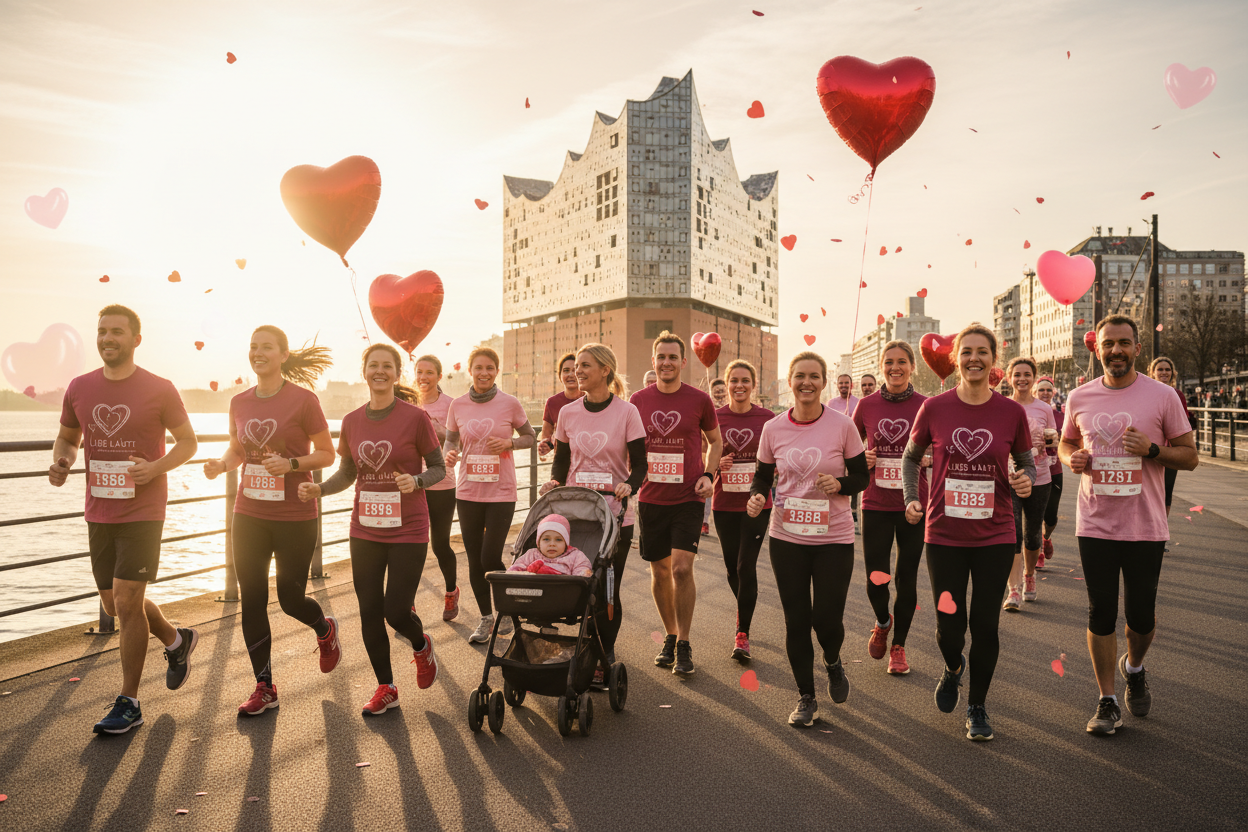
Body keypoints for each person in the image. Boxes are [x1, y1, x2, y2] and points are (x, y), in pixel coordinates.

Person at [50, 305, 199, 734]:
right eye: (101, 331)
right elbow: (68, 436)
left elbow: (187, 443)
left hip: (143, 511)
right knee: (113, 603)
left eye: (116, 331)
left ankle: (129, 702)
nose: (107, 338)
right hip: (100, 509)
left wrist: (155, 468)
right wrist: (62, 460)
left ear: (136, 338)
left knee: (129, 600)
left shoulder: (160, 388)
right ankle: (176, 640)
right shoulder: (80, 387)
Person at [1060, 316, 1197, 736]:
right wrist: (1072, 459)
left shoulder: (1163, 395)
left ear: (1137, 348)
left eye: (1124, 343)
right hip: (1095, 523)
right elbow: (1067, 442)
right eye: (1108, 344)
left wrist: (1154, 449)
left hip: (1145, 525)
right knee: (1101, 612)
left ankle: (1134, 667)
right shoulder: (1079, 397)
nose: (1115, 350)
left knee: (1140, 616)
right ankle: (1106, 700)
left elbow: (1190, 456)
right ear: (1096, 349)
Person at [901, 323, 1036, 741]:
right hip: (943, 536)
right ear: (955, 358)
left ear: (994, 360)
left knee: (986, 624)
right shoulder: (935, 408)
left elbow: (1028, 463)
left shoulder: (1011, 412)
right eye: (967, 351)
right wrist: (911, 497)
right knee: (948, 626)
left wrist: (1027, 480)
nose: (974, 358)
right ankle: (953, 666)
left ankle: (977, 706)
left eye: (983, 351)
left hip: (996, 535)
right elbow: (910, 458)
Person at [299, 344, 444, 716]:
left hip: (409, 528)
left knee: (395, 611)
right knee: (367, 610)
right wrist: (320, 489)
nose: (379, 371)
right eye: (373, 365)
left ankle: (420, 644)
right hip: (364, 527)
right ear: (365, 371)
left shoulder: (415, 418)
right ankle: (386, 687)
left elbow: (439, 467)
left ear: (398, 374)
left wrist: (417, 481)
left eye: (387, 366)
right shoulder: (351, 421)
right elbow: (349, 472)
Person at [203, 325, 339, 717]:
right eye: (253, 347)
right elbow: (237, 449)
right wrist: (220, 464)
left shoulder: (303, 400)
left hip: (294, 514)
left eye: (266, 347)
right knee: (253, 599)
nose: (258, 353)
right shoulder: (240, 402)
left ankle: (324, 628)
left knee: (290, 598)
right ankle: (264, 685)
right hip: (249, 513)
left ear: (283, 355)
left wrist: (292, 464)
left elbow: (328, 454)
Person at [746, 351, 867, 726]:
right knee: (796, 620)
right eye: (800, 376)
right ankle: (805, 697)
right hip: (787, 536)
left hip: (834, 537)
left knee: (826, 620)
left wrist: (841, 484)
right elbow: (763, 477)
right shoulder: (773, 428)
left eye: (814, 376)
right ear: (790, 380)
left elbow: (862, 478)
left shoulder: (843, 425)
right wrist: (756, 496)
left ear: (824, 382)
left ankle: (832, 661)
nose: (807, 383)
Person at [540, 343, 645, 685]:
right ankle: (573, 650)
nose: (577, 372)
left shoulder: (627, 412)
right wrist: (554, 481)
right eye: (575, 367)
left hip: (614, 514)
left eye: (585, 366)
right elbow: (561, 460)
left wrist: (630, 484)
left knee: (605, 591)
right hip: (576, 513)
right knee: (574, 584)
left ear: (605, 371)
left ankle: (604, 654)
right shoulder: (568, 413)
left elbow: (640, 465)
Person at [630, 331, 722, 677]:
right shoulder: (637, 401)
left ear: (683, 362)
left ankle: (684, 642)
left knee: (682, 569)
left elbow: (715, 442)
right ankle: (669, 634)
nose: (666, 363)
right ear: (653, 361)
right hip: (651, 497)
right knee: (659, 571)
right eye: (661, 357)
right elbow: (626, 446)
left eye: (673, 357)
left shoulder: (698, 399)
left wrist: (709, 475)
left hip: (688, 497)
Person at [443, 347, 536, 643]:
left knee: (490, 555)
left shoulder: (509, 403)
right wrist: (449, 455)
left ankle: (508, 609)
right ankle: (486, 618)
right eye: (479, 367)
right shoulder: (457, 405)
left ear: (497, 371)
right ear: (470, 371)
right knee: (473, 559)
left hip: (501, 491)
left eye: (490, 368)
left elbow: (531, 438)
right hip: (468, 489)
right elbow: (450, 440)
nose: (484, 373)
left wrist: (509, 442)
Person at [851, 341, 928, 675]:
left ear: (912, 366)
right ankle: (883, 621)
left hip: (914, 503)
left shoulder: (928, 406)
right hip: (877, 502)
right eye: (888, 362)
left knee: (906, 578)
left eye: (901, 362)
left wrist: (929, 458)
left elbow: (944, 451)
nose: (895, 368)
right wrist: (860, 459)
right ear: (881, 366)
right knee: (875, 578)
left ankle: (899, 646)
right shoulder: (866, 406)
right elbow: (847, 448)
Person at [712, 359, 775, 662]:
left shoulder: (767, 418)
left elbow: (778, 460)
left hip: (758, 503)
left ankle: (742, 633)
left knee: (744, 566)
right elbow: (702, 459)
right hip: (724, 503)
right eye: (734, 380)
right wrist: (716, 465)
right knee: (730, 568)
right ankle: (744, 608)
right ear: (726, 385)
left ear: (753, 385)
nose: (739, 386)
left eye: (745, 380)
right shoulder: (714, 417)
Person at [1002, 358, 1056, 610]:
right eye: (1017, 374)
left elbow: (1053, 446)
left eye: (1027, 374)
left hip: (1040, 478)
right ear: (1009, 377)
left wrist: (1048, 443)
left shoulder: (1044, 409)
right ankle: (1013, 591)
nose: (1022, 379)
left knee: (1032, 536)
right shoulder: (1001, 406)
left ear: (1034, 378)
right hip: (1008, 478)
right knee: (1013, 534)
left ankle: (1030, 575)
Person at [414, 354, 461, 621]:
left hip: (442, 483)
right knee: (410, 545)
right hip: (412, 483)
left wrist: (440, 433)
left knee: (440, 544)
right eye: (419, 372)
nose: (423, 377)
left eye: (429, 372)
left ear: (439, 377)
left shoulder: (451, 405)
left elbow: (462, 442)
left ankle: (451, 591)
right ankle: (407, 604)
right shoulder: (407, 402)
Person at [1148, 356, 1196, 520]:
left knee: (1166, 493)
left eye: (1167, 369)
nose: (1164, 372)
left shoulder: (1177, 395)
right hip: (1148, 449)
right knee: (1147, 494)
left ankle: (1162, 537)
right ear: (1152, 373)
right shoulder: (1146, 394)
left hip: (1170, 451)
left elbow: (1183, 423)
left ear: (1172, 373)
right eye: (1160, 369)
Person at [1034, 377, 1064, 565]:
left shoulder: (1060, 415)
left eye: (1048, 390)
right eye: (1041, 390)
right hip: (1034, 468)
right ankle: (1037, 551)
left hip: (1054, 469)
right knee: (1035, 514)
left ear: (1053, 393)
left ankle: (1046, 537)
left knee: (1051, 516)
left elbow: (1070, 438)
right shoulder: (1029, 411)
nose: (1045, 393)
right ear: (1035, 392)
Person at [509, 515, 592, 576]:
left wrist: (581, 575)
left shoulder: (575, 556)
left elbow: (582, 568)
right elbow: (517, 567)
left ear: (566, 543)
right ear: (539, 543)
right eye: (546, 539)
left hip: (563, 592)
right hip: (534, 592)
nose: (552, 544)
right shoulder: (532, 554)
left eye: (558, 540)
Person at [538, 353, 584, 457]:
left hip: (587, 463)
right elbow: (546, 438)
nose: (571, 374)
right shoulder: (552, 402)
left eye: (575, 370)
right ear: (560, 376)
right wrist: (544, 447)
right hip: (562, 463)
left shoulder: (591, 399)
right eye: (566, 370)